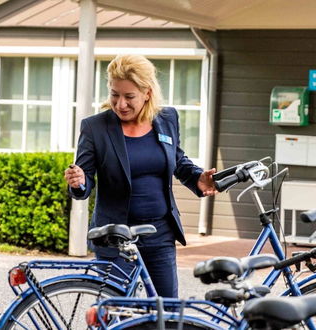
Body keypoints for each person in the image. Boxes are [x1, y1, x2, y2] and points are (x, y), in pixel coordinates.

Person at [64, 54, 217, 298]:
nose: (120, 104)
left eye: (129, 96)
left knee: (166, 311)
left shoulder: (167, 119)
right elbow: (84, 184)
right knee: (118, 313)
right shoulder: (95, 127)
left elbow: (177, 159)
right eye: (115, 94)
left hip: (159, 234)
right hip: (115, 237)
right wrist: (79, 183)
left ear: (147, 92)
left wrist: (198, 179)